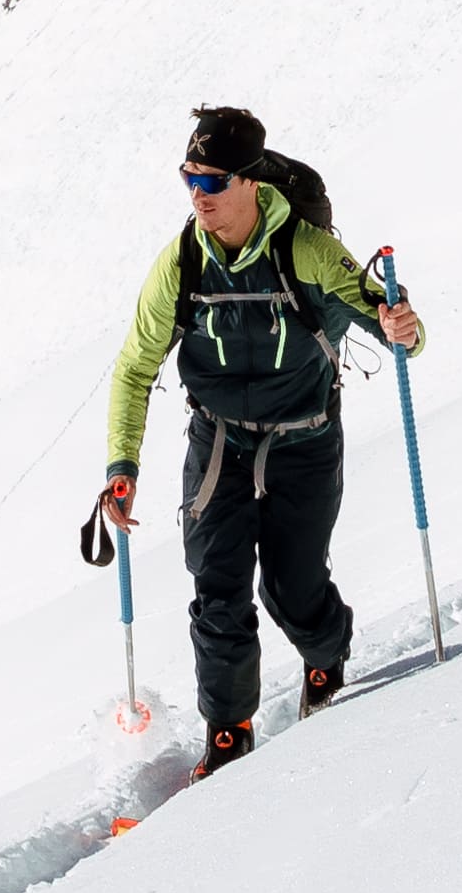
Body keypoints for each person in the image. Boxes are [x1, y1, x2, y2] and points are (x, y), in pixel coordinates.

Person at [97, 100, 424, 774]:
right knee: (217, 592)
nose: (199, 194)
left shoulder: (307, 250)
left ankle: (326, 655)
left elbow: (397, 329)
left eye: (213, 181)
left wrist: (404, 328)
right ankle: (228, 733)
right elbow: (134, 367)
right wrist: (121, 465)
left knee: (292, 588)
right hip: (218, 443)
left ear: (249, 180)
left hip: (304, 441)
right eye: (189, 178)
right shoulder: (182, 263)